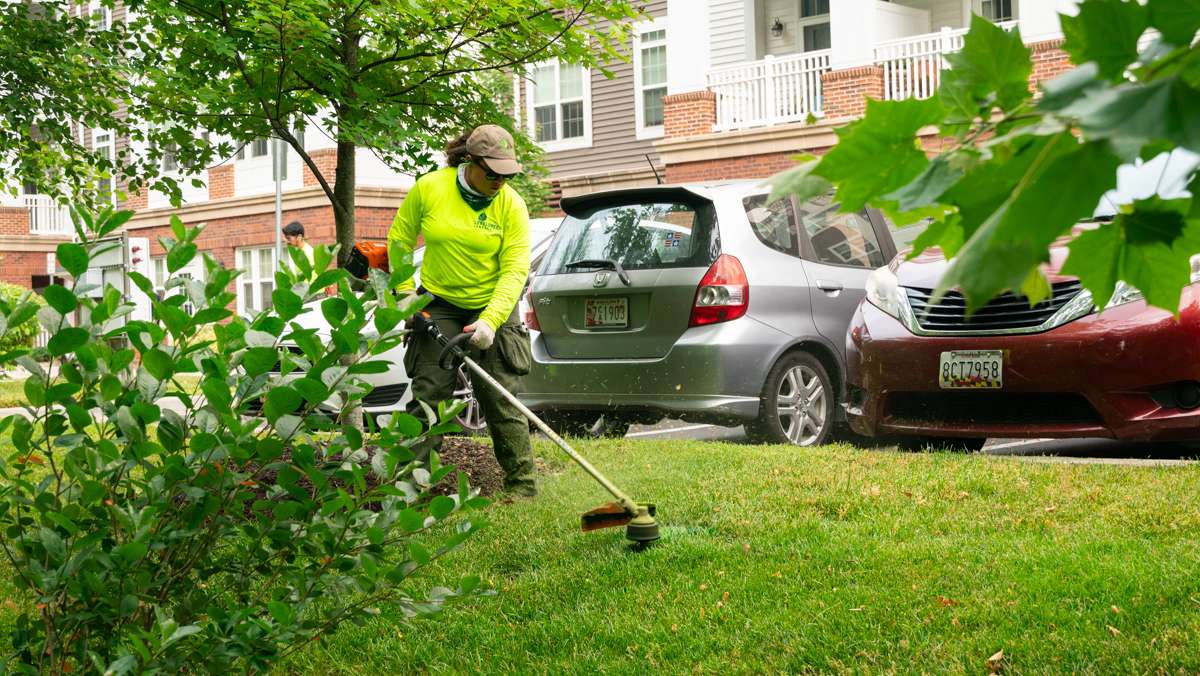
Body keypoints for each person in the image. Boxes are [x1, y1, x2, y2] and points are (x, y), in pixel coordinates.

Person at [388, 124, 537, 497]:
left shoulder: (511, 205)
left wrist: (490, 320)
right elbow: (399, 238)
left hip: (494, 305)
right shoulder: (430, 188)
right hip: (439, 303)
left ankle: (521, 488)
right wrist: (405, 291)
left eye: (507, 175)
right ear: (470, 161)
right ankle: (413, 489)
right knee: (428, 398)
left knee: (502, 398)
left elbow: (516, 268)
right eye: (492, 173)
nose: (499, 182)